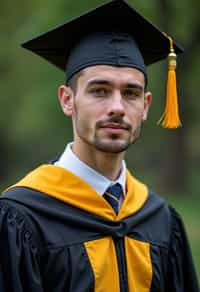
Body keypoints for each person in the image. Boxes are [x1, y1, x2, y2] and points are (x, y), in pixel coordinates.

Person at [0, 0, 199, 291]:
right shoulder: (22, 219)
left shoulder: (162, 221)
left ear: (145, 106)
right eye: (100, 91)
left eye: (130, 93)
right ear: (67, 100)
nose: (117, 107)